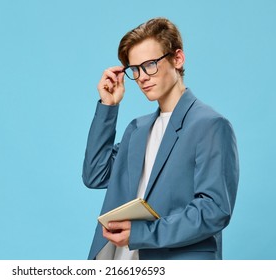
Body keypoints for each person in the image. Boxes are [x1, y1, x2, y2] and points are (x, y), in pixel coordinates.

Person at [82, 17, 239, 260]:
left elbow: (213, 211)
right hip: (121, 259)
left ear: (178, 59)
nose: (142, 76)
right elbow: (95, 175)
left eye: (150, 64)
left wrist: (142, 233)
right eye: (135, 69)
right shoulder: (137, 128)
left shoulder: (211, 126)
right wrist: (108, 106)